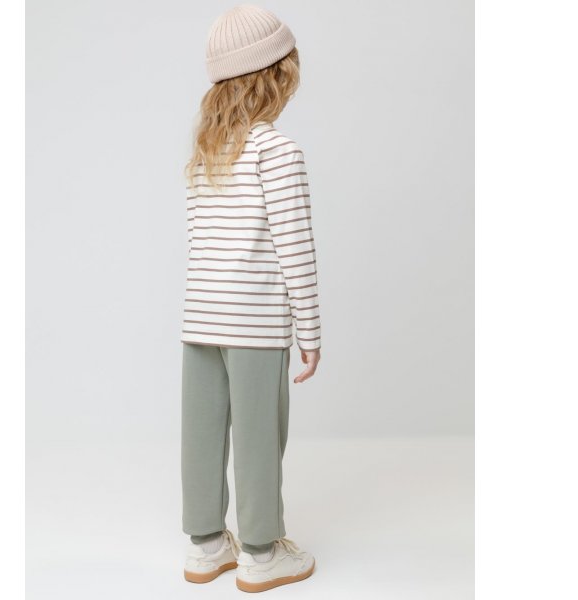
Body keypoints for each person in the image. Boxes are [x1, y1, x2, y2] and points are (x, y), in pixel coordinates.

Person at [180, 5, 322, 593]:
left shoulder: (206, 152)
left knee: (202, 434)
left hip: (200, 320)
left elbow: (199, 241)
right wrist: (310, 334)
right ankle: (262, 554)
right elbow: (296, 249)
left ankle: (206, 546)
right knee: (259, 436)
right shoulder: (278, 151)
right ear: (279, 74)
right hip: (255, 324)